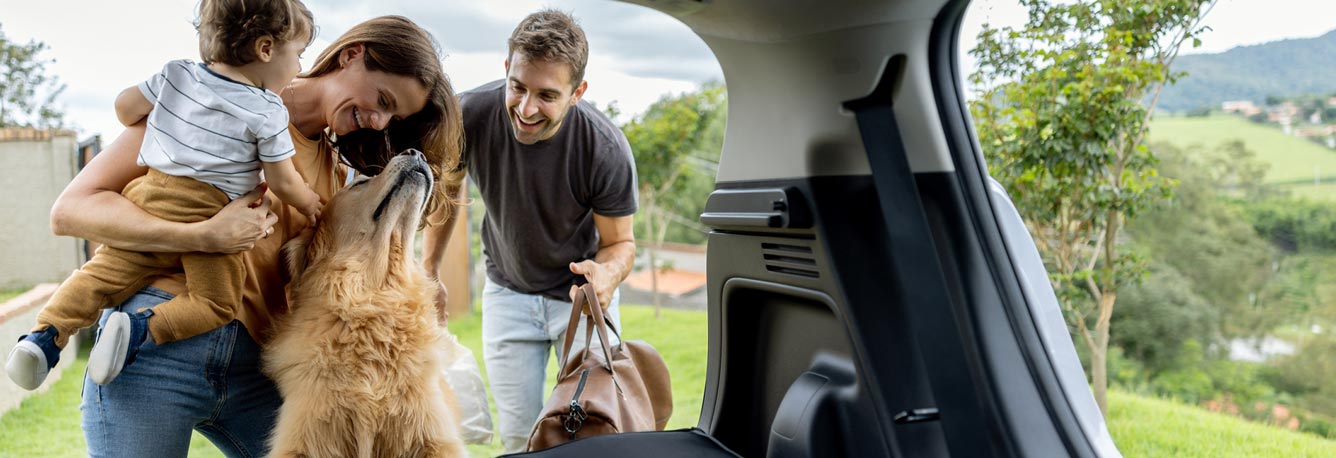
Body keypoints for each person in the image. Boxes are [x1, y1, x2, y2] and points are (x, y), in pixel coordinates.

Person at [46, 14, 464, 457]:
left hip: (257, 368)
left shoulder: (337, 175)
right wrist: (204, 236)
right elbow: (72, 210)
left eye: (392, 115)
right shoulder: (208, 101)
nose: (379, 122)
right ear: (352, 54)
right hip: (154, 350)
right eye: (382, 98)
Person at [5, 0, 323, 391]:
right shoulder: (269, 110)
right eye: (299, 55)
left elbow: (125, 108)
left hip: (150, 196)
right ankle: (139, 328)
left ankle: (43, 336)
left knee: (101, 275)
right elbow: (282, 182)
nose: (300, 69)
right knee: (215, 303)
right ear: (265, 49)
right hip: (212, 212)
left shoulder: (178, 74)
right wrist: (310, 202)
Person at [423, 9, 638, 453]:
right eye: (517, 87)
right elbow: (448, 192)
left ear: (577, 92)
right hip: (508, 294)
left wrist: (607, 277)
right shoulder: (469, 115)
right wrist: (429, 269)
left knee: (590, 436)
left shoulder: (604, 147)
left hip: (581, 301)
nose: (525, 108)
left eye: (546, 95)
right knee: (521, 439)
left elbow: (619, 243)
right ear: (506, 69)